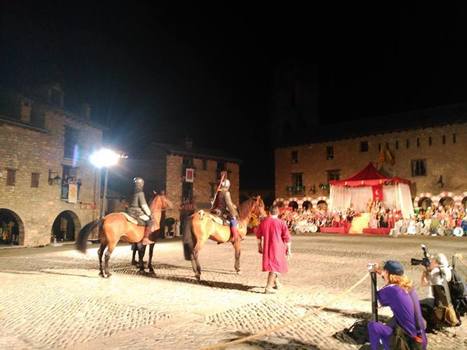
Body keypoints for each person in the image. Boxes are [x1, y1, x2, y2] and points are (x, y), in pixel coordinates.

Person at [367, 260, 427, 350]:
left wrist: (372, 274)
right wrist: (379, 271)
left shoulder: (392, 290)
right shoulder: (408, 287)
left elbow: (378, 297)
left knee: (373, 326)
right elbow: (390, 280)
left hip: (406, 341)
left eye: (384, 270)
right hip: (420, 340)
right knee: (393, 320)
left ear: (387, 273)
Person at [256, 205, 291, 294]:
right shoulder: (281, 222)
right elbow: (287, 237)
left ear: (269, 212)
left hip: (267, 246)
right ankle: (268, 287)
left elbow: (258, 235)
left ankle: (276, 283)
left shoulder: (263, 222)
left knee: (273, 264)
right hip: (278, 247)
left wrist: (259, 246)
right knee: (275, 266)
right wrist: (289, 250)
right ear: (278, 213)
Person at [211, 170, 240, 242]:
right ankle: (235, 236)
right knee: (233, 219)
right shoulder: (226, 193)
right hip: (222, 211)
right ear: (227, 186)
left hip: (217, 209)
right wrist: (234, 210)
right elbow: (229, 204)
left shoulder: (219, 192)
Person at [127, 177, 153, 245]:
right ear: (141, 184)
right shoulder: (140, 193)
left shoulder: (130, 193)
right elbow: (143, 205)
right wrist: (149, 214)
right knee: (150, 221)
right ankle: (145, 238)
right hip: (137, 212)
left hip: (129, 211)